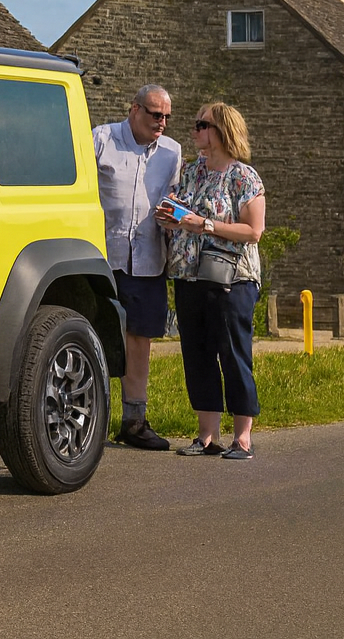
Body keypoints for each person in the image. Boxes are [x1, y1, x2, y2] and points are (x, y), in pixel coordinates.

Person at [157, 102, 266, 460]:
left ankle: (243, 438)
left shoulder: (243, 176)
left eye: (201, 125)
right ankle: (207, 436)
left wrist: (204, 225)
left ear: (221, 131)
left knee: (233, 353)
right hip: (189, 275)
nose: (195, 130)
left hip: (231, 279)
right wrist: (171, 217)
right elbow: (182, 213)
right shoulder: (190, 172)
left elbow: (254, 230)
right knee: (197, 353)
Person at [93, 84, 181, 450]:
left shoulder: (172, 152)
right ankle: (90, 420)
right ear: (134, 110)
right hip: (101, 257)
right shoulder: (102, 139)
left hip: (147, 258)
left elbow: (175, 200)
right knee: (94, 336)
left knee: (140, 339)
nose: (162, 123)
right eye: (156, 114)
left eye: (167, 117)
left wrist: (173, 215)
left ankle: (134, 421)